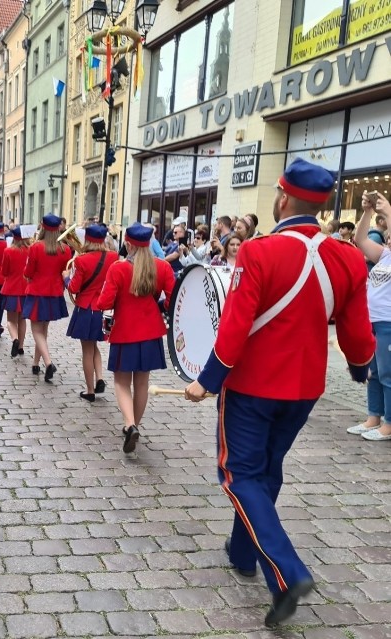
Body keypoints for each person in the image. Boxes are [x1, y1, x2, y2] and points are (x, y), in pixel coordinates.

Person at [185, 158, 375, 627]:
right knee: (265, 469)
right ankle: (242, 552)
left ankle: (286, 573)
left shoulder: (259, 251)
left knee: (239, 474)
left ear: (284, 198)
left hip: (251, 386)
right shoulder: (348, 256)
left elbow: (235, 327)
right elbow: (356, 332)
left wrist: (206, 380)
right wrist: (358, 366)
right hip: (305, 388)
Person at [96, 223, 174, 454]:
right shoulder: (162, 267)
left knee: (121, 382)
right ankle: (135, 425)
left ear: (127, 244)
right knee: (142, 383)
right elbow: (172, 299)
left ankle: (129, 424)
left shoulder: (118, 269)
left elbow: (104, 303)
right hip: (151, 332)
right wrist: (158, 306)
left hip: (125, 332)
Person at [351, 191, 391, 441]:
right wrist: (367, 212)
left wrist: (387, 211)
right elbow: (359, 238)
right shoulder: (385, 255)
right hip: (373, 321)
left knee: (388, 374)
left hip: (388, 323)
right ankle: (373, 417)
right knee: (374, 372)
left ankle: (389, 423)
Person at [65, 225, 117, 402]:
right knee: (94, 346)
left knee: (87, 350)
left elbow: (73, 287)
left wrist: (66, 276)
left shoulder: (81, 260)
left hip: (86, 309)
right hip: (104, 309)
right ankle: (100, 378)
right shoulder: (113, 257)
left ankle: (90, 390)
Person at [23, 215, 72, 382]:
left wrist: (27, 274)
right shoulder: (65, 249)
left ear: (42, 227)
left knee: (36, 330)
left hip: (37, 291)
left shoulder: (36, 247)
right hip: (54, 293)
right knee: (43, 331)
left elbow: (28, 272)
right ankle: (36, 364)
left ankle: (48, 362)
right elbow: (65, 271)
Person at [1, 227, 29, 358]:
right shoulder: (30, 250)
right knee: (22, 319)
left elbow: (4, 272)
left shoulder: (8, 251)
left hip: (11, 288)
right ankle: (21, 347)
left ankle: (14, 339)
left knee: (11, 320)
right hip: (25, 289)